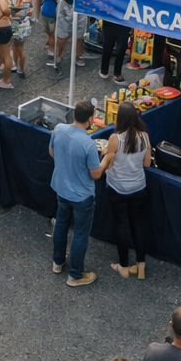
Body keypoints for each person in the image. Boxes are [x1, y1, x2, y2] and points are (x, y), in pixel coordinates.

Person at [51, 99, 113, 287]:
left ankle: (58, 262)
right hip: (82, 197)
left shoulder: (59, 129)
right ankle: (75, 275)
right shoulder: (88, 143)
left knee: (61, 225)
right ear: (91, 118)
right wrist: (108, 157)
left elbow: (51, 152)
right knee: (80, 234)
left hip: (61, 189)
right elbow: (96, 174)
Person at [103, 102, 152, 281]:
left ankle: (123, 266)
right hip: (139, 186)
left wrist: (105, 154)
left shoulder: (115, 138)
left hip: (118, 188)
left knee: (121, 226)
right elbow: (147, 163)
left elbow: (109, 162)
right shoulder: (144, 136)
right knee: (139, 225)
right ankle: (141, 266)